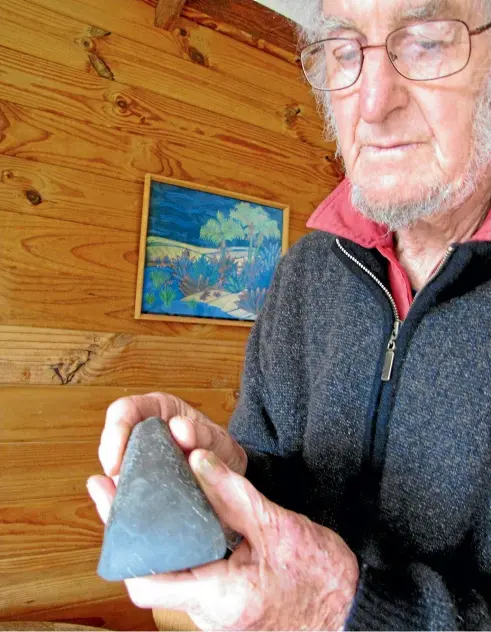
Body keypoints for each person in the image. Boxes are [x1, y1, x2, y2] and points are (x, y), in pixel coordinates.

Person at [87, 0, 491, 628]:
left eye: (427, 41)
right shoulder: (307, 271)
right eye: (345, 51)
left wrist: (341, 607)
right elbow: (285, 480)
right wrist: (229, 469)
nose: (374, 102)